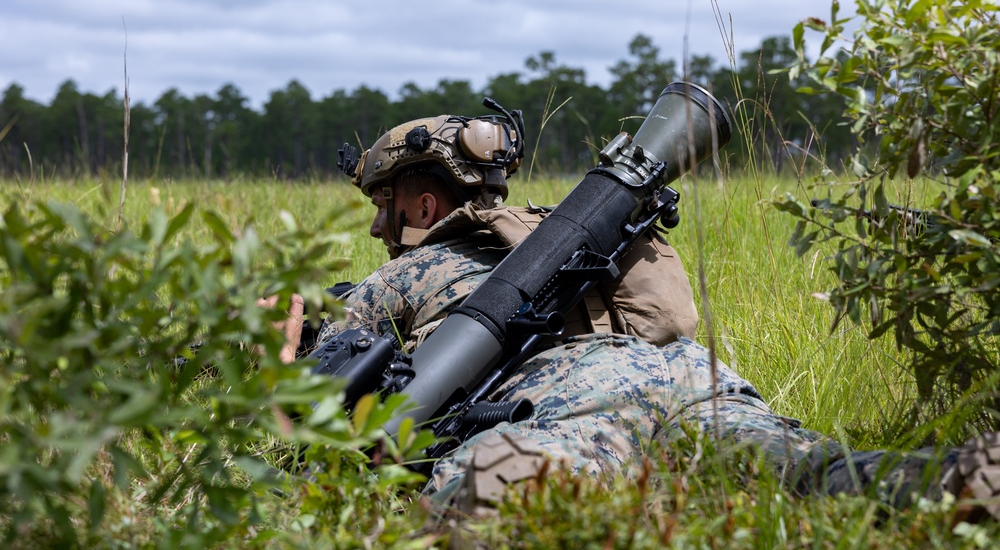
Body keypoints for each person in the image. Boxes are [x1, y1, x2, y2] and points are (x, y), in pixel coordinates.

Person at [276, 106, 1000, 521]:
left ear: (423, 203)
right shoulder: (566, 230)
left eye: (383, 205)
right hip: (688, 378)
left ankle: (516, 482)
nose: (378, 227)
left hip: (563, 405)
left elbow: (324, 405)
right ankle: (949, 477)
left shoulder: (409, 270)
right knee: (813, 470)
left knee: (474, 495)